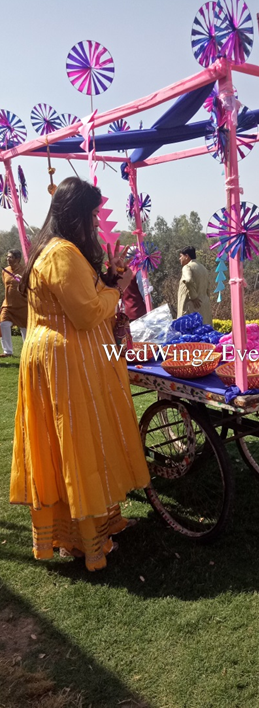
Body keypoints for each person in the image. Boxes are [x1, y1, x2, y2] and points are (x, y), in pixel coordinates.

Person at [10, 177, 150, 571]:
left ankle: (100, 524)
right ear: (74, 216)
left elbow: (79, 299)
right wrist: (116, 288)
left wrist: (103, 283)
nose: (93, 223)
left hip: (62, 359)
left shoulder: (51, 250)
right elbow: (86, 312)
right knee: (77, 444)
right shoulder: (60, 254)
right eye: (90, 215)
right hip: (65, 363)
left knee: (76, 443)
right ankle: (88, 540)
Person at [0, 249, 28, 357]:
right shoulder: (5, 271)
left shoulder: (25, 270)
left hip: (23, 305)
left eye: (10, 257)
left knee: (25, 329)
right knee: (3, 324)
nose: (8, 259)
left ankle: (27, 350)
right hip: (8, 305)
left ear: (18, 259)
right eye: (7, 257)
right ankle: (8, 351)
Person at [177, 246, 212, 325]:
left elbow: (188, 280)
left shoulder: (187, 267)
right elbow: (208, 287)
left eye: (181, 256)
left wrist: (194, 296)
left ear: (186, 256)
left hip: (191, 307)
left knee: (190, 334)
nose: (180, 259)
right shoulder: (203, 268)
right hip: (203, 306)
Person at [122, 247, 147, 321]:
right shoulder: (138, 271)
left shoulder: (123, 271)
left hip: (127, 314)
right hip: (140, 314)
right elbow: (145, 292)